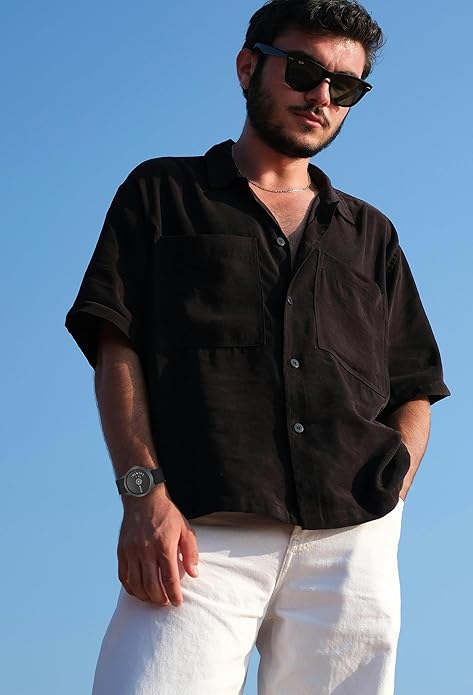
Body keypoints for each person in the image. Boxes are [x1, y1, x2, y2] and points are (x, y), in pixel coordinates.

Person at [65, 1, 450, 693]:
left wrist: (392, 492)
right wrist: (141, 494)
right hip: (196, 530)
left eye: (345, 86)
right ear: (248, 67)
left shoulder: (372, 234)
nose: (322, 96)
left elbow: (413, 385)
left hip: (350, 542)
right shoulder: (162, 193)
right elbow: (115, 345)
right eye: (302, 70)